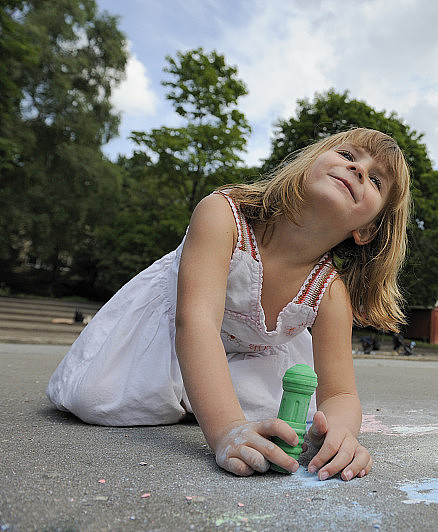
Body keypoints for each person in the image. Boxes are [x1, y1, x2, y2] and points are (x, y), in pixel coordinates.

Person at [47, 128, 411, 481]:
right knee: (98, 398)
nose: (359, 169)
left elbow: (340, 393)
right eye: (347, 155)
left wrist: (342, 436)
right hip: (172, 334)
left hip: (246, 357)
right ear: (306, 167)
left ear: (368, 230)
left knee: (287, 425)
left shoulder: (330, 292)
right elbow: (197, 324)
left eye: (376, 181)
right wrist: (227, 430)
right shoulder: (223, 215)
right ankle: (202, 403)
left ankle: (200, 400)